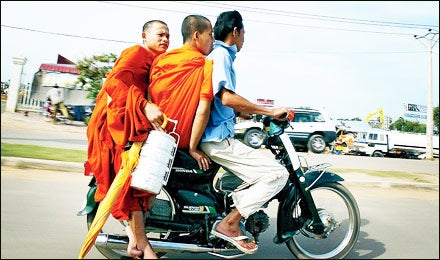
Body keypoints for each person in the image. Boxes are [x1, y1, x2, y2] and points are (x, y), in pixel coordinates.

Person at [199, 10, 290, 254]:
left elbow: (220, 102)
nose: (244, 39)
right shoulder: (221, 55)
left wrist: (241, 113)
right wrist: (269, 112)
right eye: (244, 33)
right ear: (235, 31)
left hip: (217, 134)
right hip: (216, 140)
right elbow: (226, 97)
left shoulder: (220, 54)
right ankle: (230, 223)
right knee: (277, 174)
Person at [86, 20, 170, 259]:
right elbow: (114, 84)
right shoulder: (136, 53)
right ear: (145, 36)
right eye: (160, 35)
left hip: (131, 123)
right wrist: (144, 106)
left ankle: (134, 238)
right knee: (133, 179)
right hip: (114, 127)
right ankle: (143, 244)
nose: (165, 39)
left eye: (168, 36)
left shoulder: (155, 61)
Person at [148, 14, 214, 171]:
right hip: (178, 144)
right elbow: (203, 110)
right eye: (210, 35)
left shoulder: (161, 60)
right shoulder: (205, 65)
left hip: (153, 136)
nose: (212, 40)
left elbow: (150, 96)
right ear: (196, 35)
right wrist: (193, 148)